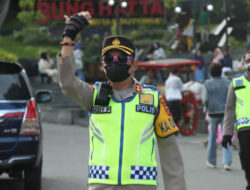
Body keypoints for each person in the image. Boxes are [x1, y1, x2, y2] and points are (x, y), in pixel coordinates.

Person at [57, 11, 186, 190]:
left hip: (141, 185)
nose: (114, 62)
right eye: (109, 58)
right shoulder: (93, 95)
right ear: (103, 64)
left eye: (122, 58)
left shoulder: (154, 100)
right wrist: (69, 36)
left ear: (134, 64)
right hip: (101, 185)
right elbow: (67, 83)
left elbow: (171, 155)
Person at [222, 50, 250, 190]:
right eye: (248, 60)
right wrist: (227, 133)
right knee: (246, 160)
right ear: (243, 63)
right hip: (244, 130)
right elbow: (229, 109)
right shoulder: (236, 82)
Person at [201, 63, 232, 170]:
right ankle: (227, 162)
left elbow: (204, 99)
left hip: (213, 112)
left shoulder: (207, 83)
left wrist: (206, 107)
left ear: (211, 72)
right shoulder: (227, 83)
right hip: (225, 112)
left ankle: (211, 161)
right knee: (226, 136)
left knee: (212, 137)